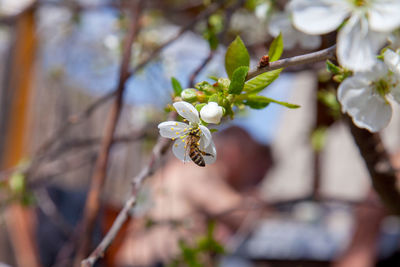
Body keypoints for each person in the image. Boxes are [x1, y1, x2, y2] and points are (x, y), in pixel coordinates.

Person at [113, 126, 274, 266]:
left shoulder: (183, 169)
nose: (255, 177)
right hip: (150, 262)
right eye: (251, 161)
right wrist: (259, 204)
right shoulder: (198, 171)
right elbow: (241, 215)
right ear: (235, 152)